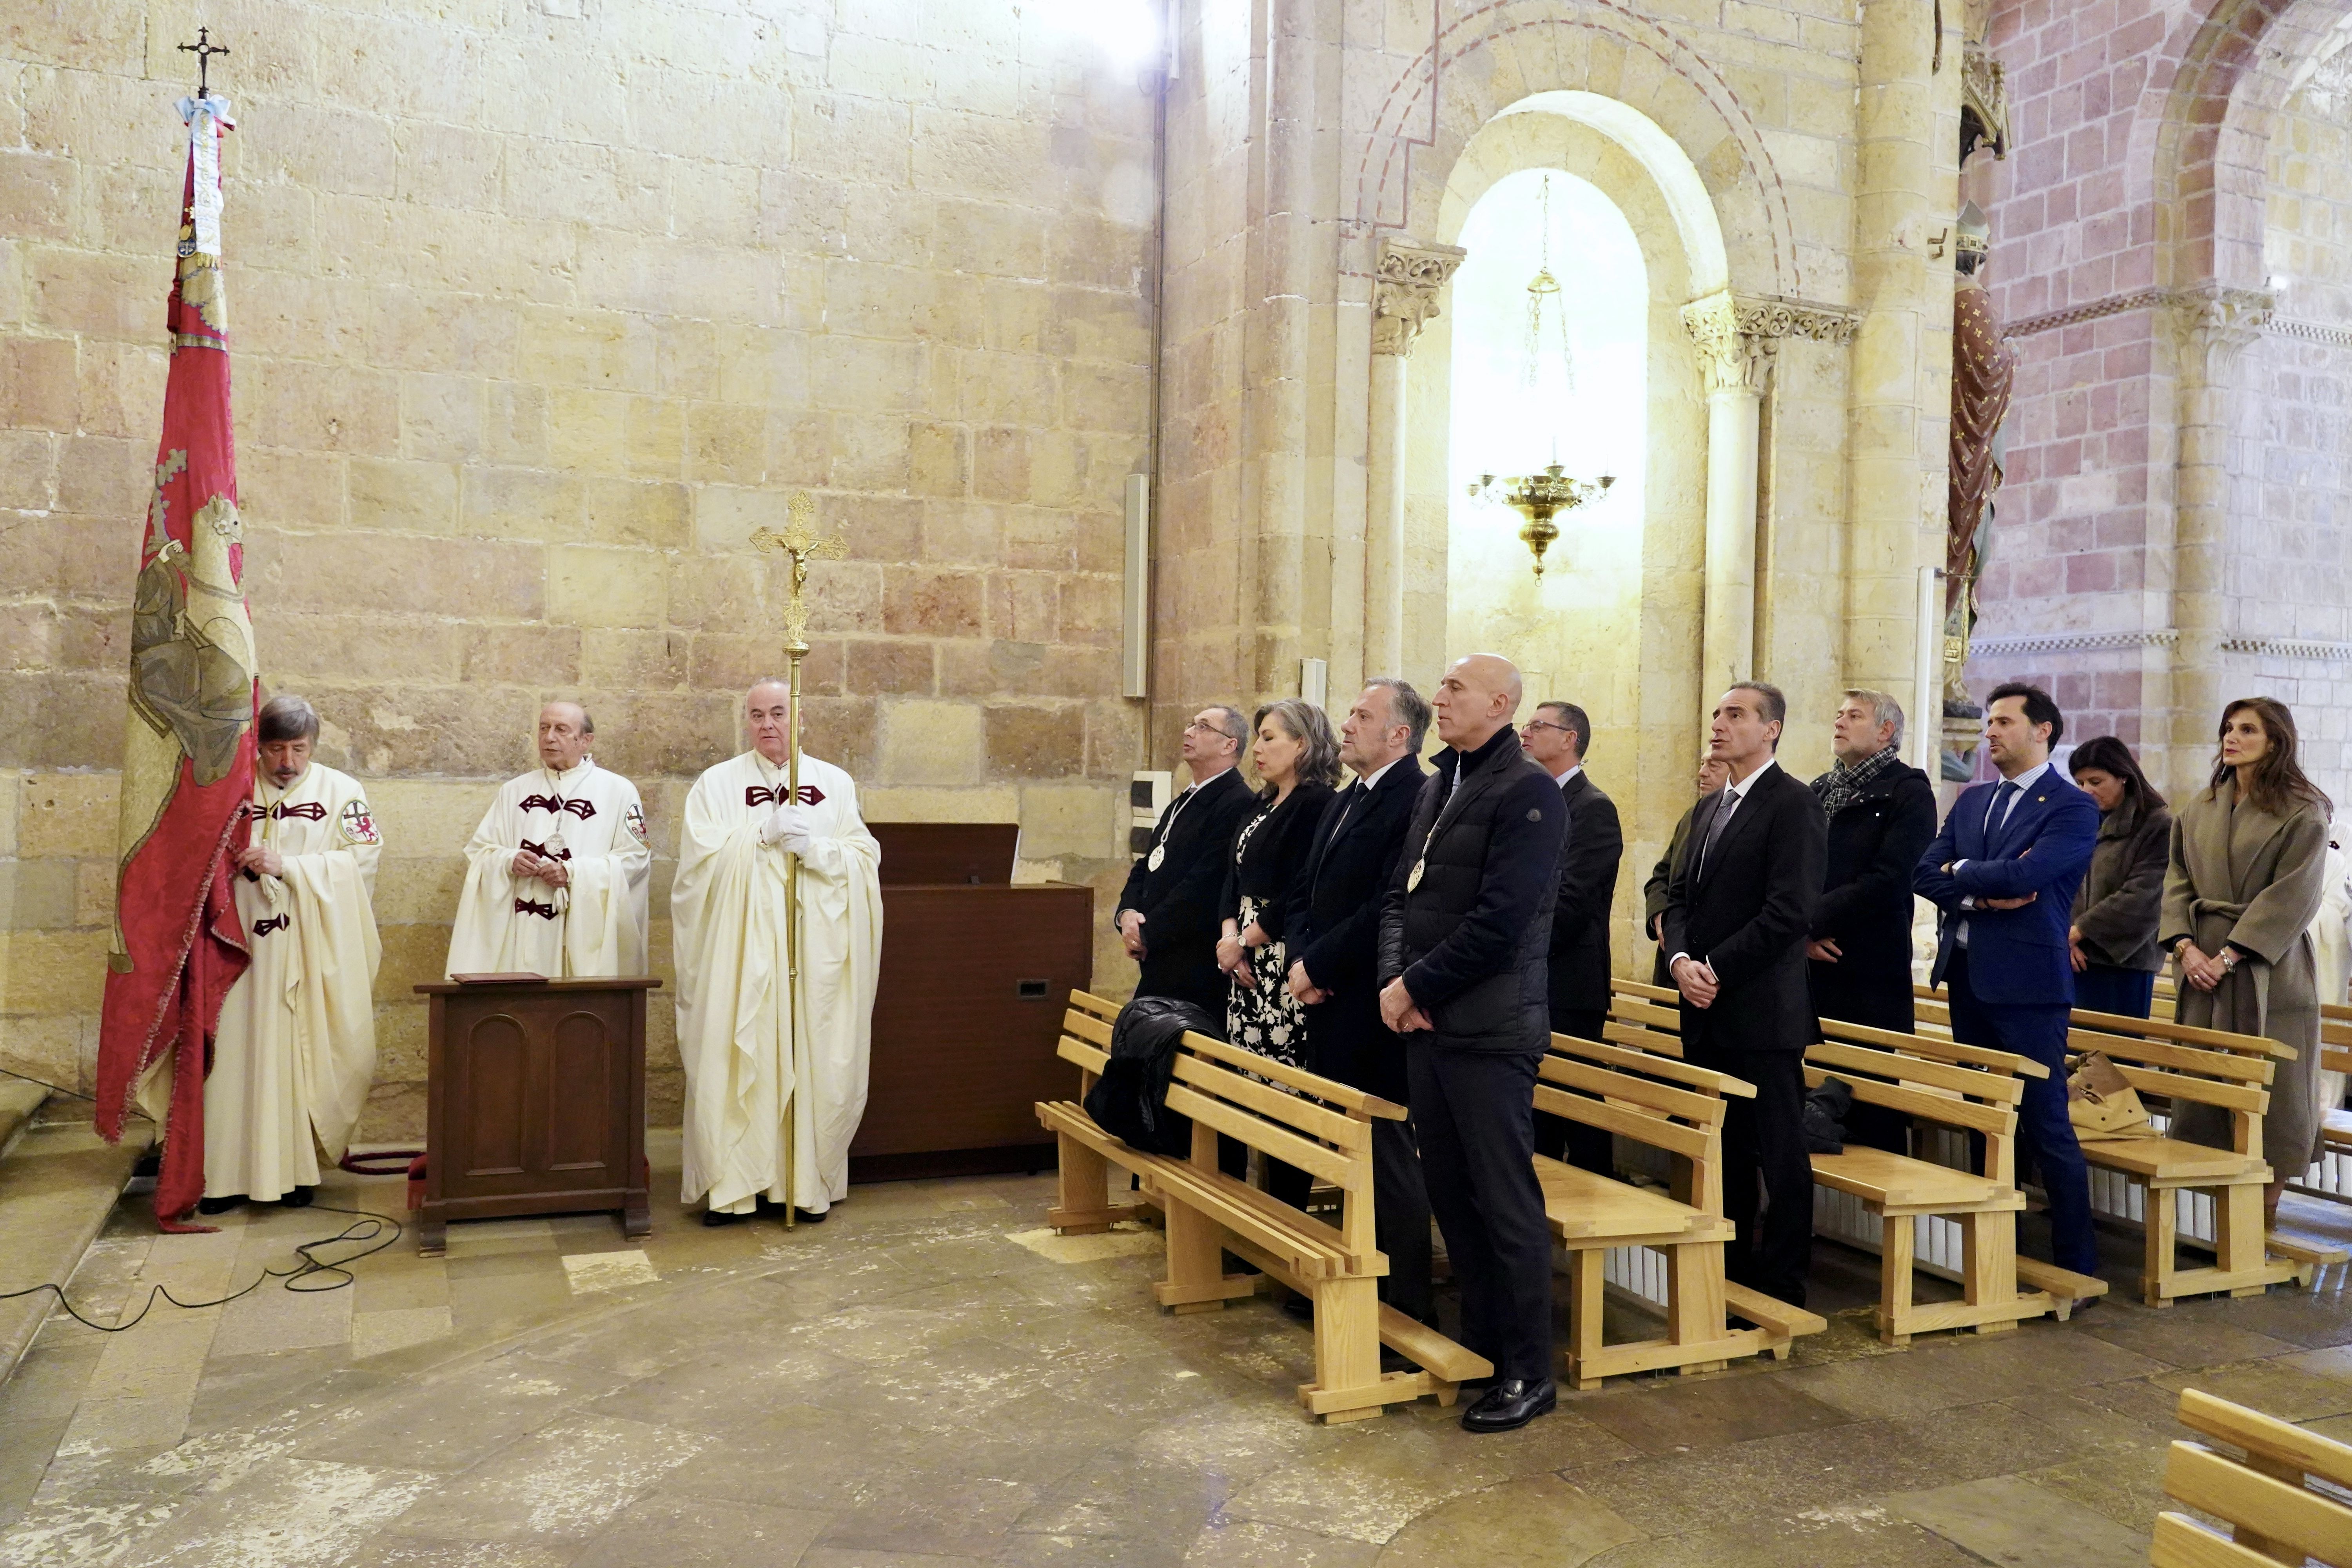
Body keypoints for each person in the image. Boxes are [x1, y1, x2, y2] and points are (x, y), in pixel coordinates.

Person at [1378, 653, 1565, 1434]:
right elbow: (1400, 895)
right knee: (1452, 1194)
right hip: (1432, 1027)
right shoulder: (1438, 782)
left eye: (1454, 687)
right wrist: (1401, 985)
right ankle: (1485, 1344)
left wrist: (1415, 987)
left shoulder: (1529, 793)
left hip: (1489, 1033)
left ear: (1501, 702)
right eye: (1441, 685)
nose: (1440, 697)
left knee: (1504, 1201)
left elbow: (1500, 922)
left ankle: (1530, 1369)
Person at [672, 680, 884, 1225]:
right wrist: (757, 837)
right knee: (736, 1056)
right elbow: (696, 871)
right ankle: (734, 1188)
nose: (767, 724)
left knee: (810, 1060)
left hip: (811, 954)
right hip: (740, 958)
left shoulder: (833, 784)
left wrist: (815, 850)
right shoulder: (716, 785)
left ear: (799, 719)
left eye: (778, 713)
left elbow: (865, 858)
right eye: (756, 715)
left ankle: (801, 1182)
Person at [1916, 682, 2101, 1278]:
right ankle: (1998, 1251)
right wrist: (1983, 892)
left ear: (2043, 730)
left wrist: (1962, 873)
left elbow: (2038, 872)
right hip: (1969, 977)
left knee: (2046, 1124)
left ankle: (2076, 1262)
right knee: (1985, 1118)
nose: (1989, 732)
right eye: (1989, 723)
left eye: (2002, 722)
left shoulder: (2071, 806)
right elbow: (1923, 872)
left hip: (2028, 987)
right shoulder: (1972, 800)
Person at [1662, 682, 1827, 1309]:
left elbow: (1788, 913)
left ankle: (1783, 1281)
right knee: (1724, 1146)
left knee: (1779, 1152)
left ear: (1772, 729)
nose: (1719, 724)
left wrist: (1711, 967)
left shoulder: (1794, 804)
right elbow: (1679, 896)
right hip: (1705, 1003)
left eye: (1736, 715)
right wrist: (1679, 960)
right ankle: (1729, 1269)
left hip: (1762, 1010)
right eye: (1717, 713)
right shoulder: (1709, 807)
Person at [185, 695, 381, 1214]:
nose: (287, 762)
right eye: (275, 749)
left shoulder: (345, 792)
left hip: (303, 951)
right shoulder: (231, 789)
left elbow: (361, 864)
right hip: (237, 952)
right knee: (231, 1059)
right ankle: (222, 1179)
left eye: (298, 748)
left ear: (313, 744)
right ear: (260, 747)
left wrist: (289, 866)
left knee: (294, 1056)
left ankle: (292, 1175)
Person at [1287, 679, 1433, 1324]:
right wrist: (1301, 959)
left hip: (1372, 1003)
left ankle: (1403, 1302)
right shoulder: (1347, 797)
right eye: (1350, 713)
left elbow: (1389, 904)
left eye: (1363, 715)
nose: (1347, 724)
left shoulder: (1416, 796)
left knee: (1384, 1153)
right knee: (1345, 1147)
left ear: (1400, 734)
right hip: (1326, 997)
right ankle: (1352, 1279)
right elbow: (1306, 891)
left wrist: (1318, 963)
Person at [2161, 697, 2334, 1223]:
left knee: (2276, 1094)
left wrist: (2232, 955)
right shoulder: (2202, 805)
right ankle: (2221, 1211)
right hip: (2202, 967)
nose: (2231, 738)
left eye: (2247, 730)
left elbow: (2294, 894)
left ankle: (2264, 1213)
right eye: (2228, 729)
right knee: (2208, 1087)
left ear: (2276, 741)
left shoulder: (2304, 810)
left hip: (2270, 969)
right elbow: (2176, 880)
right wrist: (2187, 947)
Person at [1215, 699, 1341, 1210]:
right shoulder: (1261, 803)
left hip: (1279, 954)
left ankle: (1286, 1212)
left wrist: (1246, 940)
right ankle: (1254, 1213)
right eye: (1260, 737)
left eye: (1270, 738)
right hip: (1242, 959)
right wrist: (1229, 938)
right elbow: (1233, 877)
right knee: (1247, 1087)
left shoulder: (1315, 804)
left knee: (1284, 1091)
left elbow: (1300, 889)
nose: (1259, 749)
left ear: (1303, 745)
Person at [445, 701, 650, 978]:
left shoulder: (618, 791)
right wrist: (509, 860)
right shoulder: (514, 791)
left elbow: (636, 858)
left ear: (586, 741)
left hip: (581, 930)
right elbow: (480, 851)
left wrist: (573, 872)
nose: (549, 737)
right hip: (523, 927)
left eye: (561, 730)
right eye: (544, 728)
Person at [1523, 700, 1622, 1171]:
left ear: (1570, 740)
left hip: (1569, 983)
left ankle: (1598, 1207)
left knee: (1579, 1108)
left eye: (1539, 726)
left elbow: (1572, 903)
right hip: (1534, 978)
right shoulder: (1531, 798)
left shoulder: (1593, 808)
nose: (1526, 732)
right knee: (1538, 1110)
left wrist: (1513, 948)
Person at [1807, 689, 1936, 1034]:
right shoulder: (1819, 789)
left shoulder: (1909, 792)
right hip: (1807, 958)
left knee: (1860, 1081)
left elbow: (1890, 879)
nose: (1840, 721)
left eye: (1854, 716)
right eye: (1839, 714)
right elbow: (1792, 868)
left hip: (1868, 967)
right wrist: (1799, 932)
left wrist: (1808, 921)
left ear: (1886, 731)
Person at [1115, 706, 1256, 1016]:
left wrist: (1148, 932)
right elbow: (1147, 864)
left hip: (1193, 960)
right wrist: (1127, 914)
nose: (1189, 732)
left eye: (1203, 727)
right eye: (1191, 724)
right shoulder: (1184, 800)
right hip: (1161, 953)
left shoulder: (1236, 801)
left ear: (1229, 745)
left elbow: (1204, 884)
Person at [2066, 735, 2174, 1019]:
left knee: (2114, 1058)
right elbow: (2062, 883)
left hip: (2124, 964)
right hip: (2073, 955)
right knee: (2071, 1054)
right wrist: (2064, 938)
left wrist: (2078, 931)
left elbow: (2145, 895)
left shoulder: (2157, 825)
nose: (2087, 790)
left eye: (2096, 782)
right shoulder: (2082, 822)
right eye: (2081, 783)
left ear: (2123, 777)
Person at [1645, 751, 1730, 985]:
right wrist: (1660, 916)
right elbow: (1661, 877)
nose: (1702, 772)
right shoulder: (1692, 816)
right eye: (1702, 764)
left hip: (1708, 967)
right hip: (1673, 956)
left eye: (1713, 766)